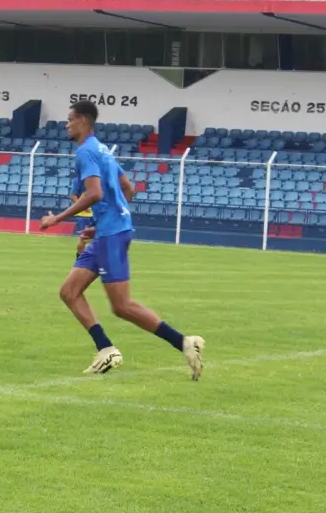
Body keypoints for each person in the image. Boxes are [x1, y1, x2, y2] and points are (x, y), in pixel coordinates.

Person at [40, 100, 205, 380]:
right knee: (69, 291)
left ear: (82, 121)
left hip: (112, 235)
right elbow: (128, 188)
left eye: (69, 119)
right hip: (109, 231)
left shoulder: (85, 153)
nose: (66, 124)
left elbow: (94, 194)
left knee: (122, 306)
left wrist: (57, 218)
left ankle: (183, 342)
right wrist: (102, 223)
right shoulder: (103, 150)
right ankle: (105, 349)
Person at [69, 178, 96, 257]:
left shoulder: (97, 180)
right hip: (82, 214)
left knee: (96, 238)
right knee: (84, 238)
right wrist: (83, 206)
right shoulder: (77, 181)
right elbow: (73, 196)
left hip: (95, 214)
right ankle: (80, 260)